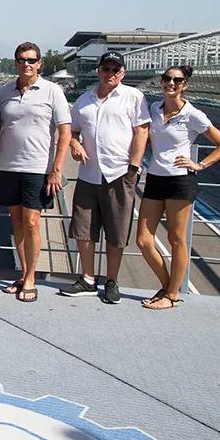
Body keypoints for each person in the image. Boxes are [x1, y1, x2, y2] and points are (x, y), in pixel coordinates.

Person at [136, 65, 220, 309]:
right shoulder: (154, 108)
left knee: (176, 239)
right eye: (167, 79)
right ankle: (168, 286)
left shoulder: (193, 114)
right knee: (144, 240)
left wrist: (200, 164)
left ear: (185, 85)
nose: (171, 83)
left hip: (180, 180)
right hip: (155, 179)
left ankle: (172, 295)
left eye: (177, 80)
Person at [59, 51, 150, 303]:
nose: (110, 74)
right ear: (99, 70)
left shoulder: (133, 97)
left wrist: (133, 167)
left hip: (119, 173)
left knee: (116, 230)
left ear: (122, 73)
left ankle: (111, 280)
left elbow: (141, 132)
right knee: (83, 228)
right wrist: (75, 146)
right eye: (106, 69)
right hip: (89, 174)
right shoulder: (84, 100)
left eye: (115, 70)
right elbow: (73, 131)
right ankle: (88, 279)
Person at [0, 42, 72, 302]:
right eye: (21, 60)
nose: (26, 64)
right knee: (16, 223)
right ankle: (23, 273)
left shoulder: (52, 91)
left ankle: (30, 278)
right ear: (15, 63)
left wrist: (56, 170)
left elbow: (65, 132)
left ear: (40, 63)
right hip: (7, 166)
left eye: (31, 60)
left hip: (37, 169)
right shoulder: (3, 93)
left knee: (32, 222)